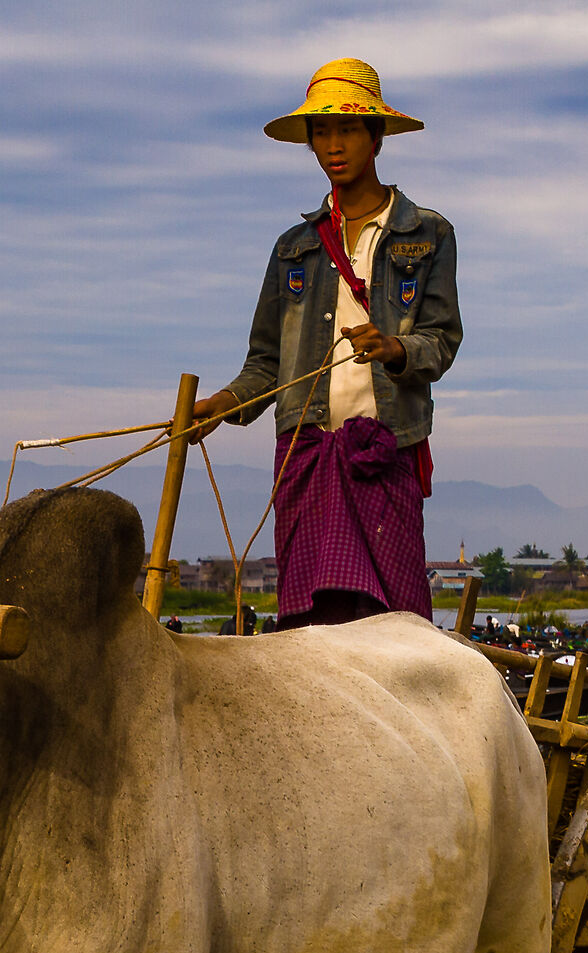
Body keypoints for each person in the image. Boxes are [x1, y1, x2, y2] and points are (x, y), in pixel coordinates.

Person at [189, 58, 458, 628]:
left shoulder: (427, 235)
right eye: (321, 132)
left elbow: (441, 340)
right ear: (310, 143)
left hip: (385, 453)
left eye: (347, 129)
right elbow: (266, 364)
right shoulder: (294, 248)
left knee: (399, 627)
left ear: (377, 137)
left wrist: (394, 349)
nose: (333, 145)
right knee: (310, 633)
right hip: (305, 456)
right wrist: (221, 405)